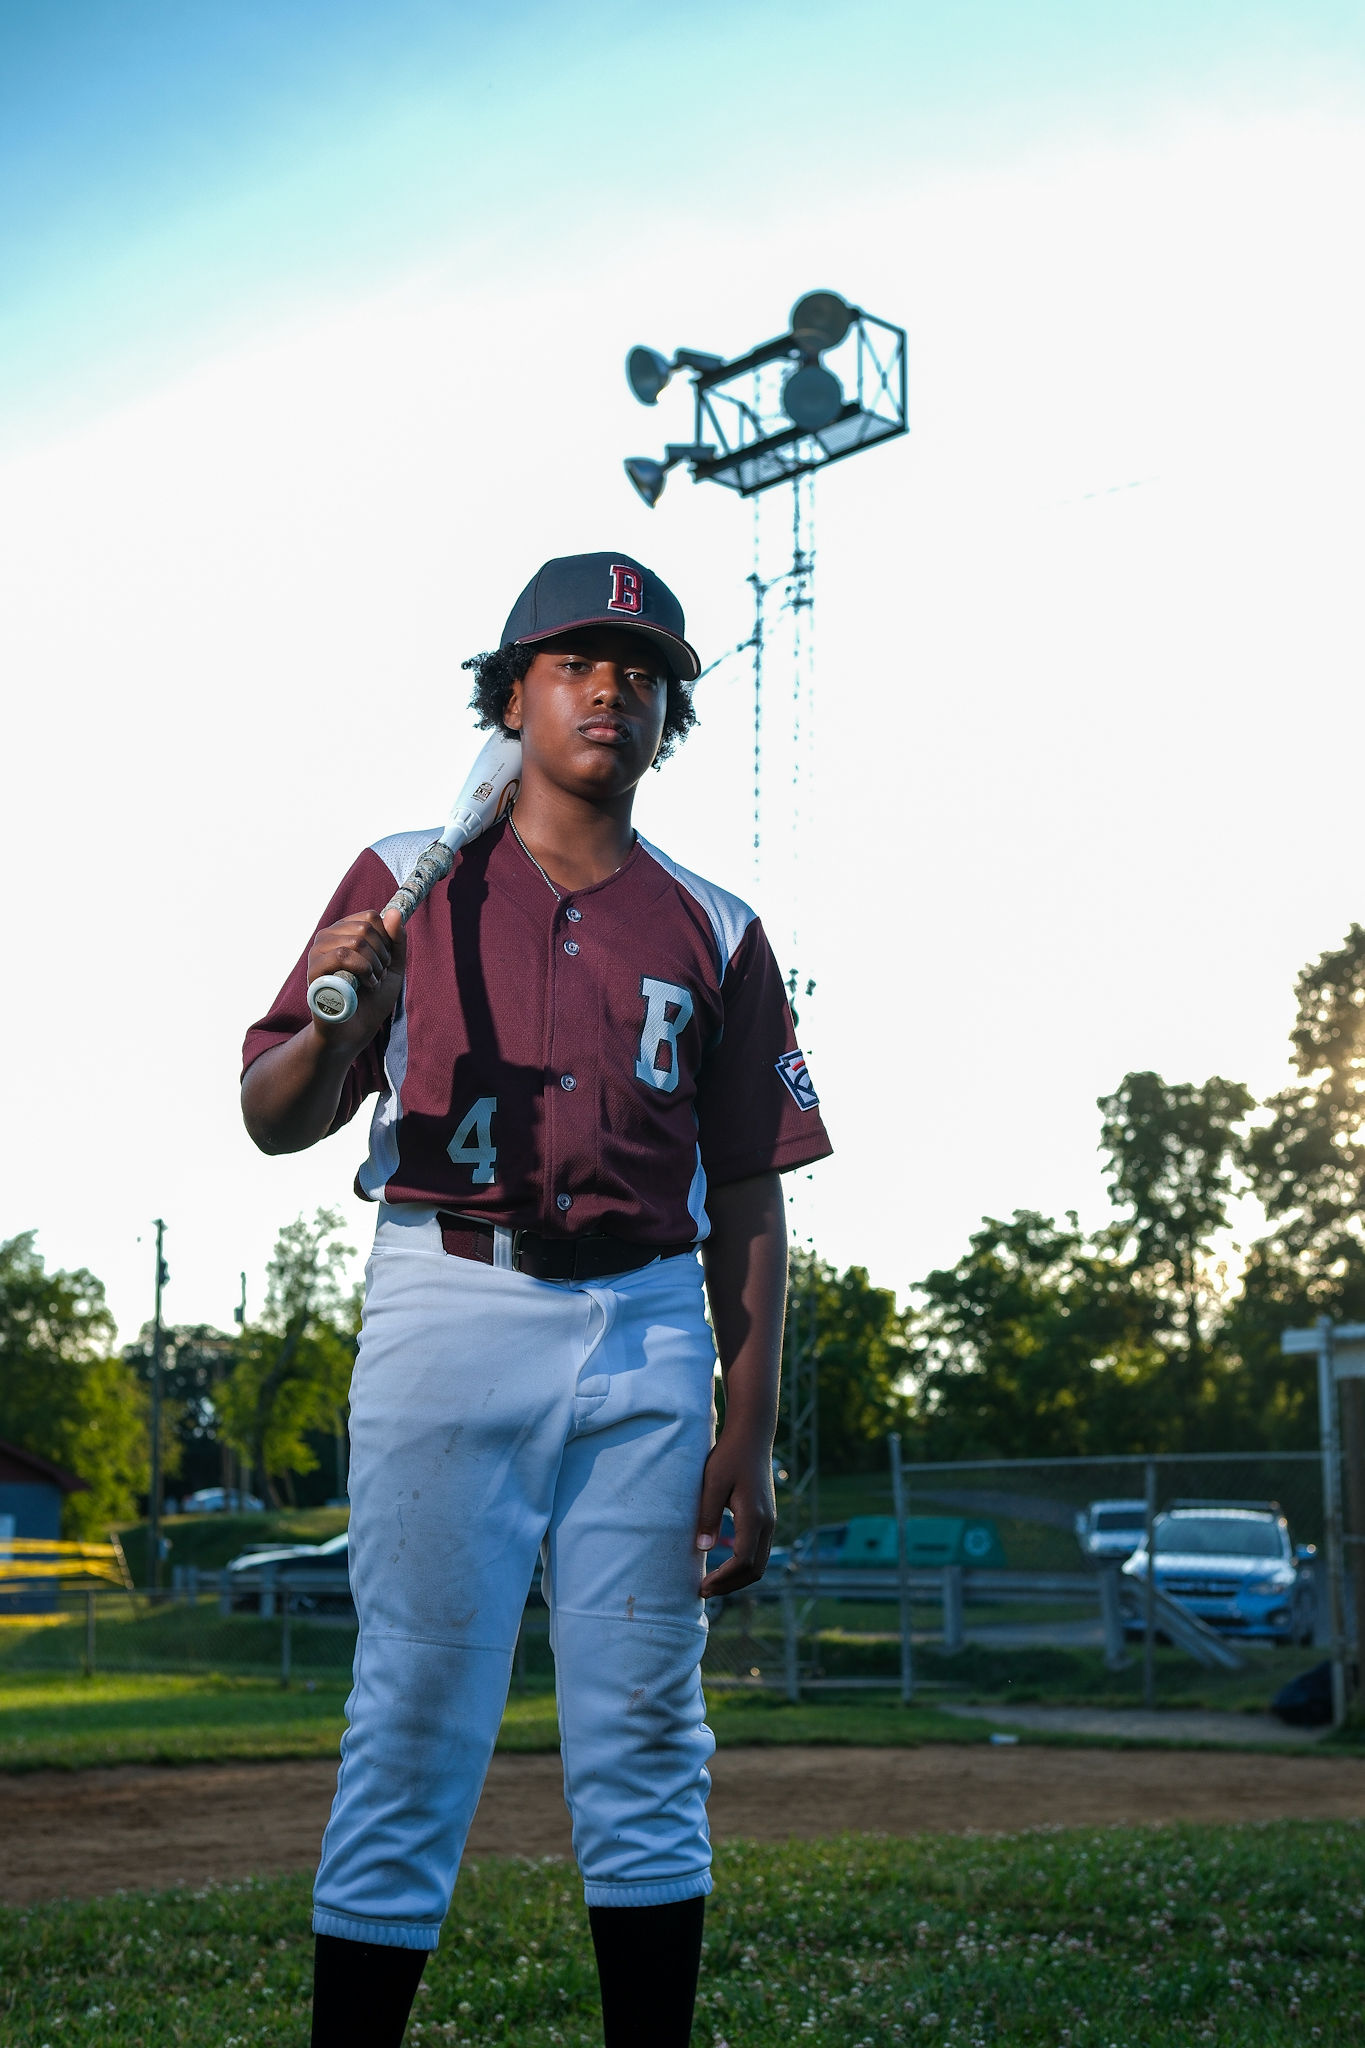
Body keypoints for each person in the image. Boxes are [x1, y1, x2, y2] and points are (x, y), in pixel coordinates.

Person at [240, 550, 832, 2047]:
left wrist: (746, 1433)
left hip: (644, 1331)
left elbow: (749, 1190)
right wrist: (344, 1021)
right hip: (451, 1301)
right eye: (573, 662)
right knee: (417, 1722)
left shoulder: (713, 920)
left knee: (644, 1732)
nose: (609, 688)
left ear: (663, 718)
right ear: (511, 694)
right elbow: (271, 1114)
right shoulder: (403, 874)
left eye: (640, 672)